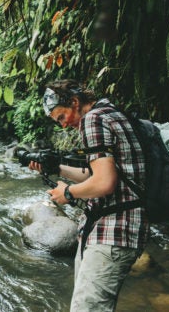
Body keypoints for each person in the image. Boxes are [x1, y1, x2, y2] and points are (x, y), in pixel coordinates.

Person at [30, 79, 149, 312]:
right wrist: (54, 168)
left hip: (114, 230)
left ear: (74, 102)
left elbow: (104, 183)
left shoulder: (93, 120)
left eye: (62, 117)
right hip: (109, 230)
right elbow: (96, 175)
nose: (63, 126)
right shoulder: (110, 113)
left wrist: (67, 193)